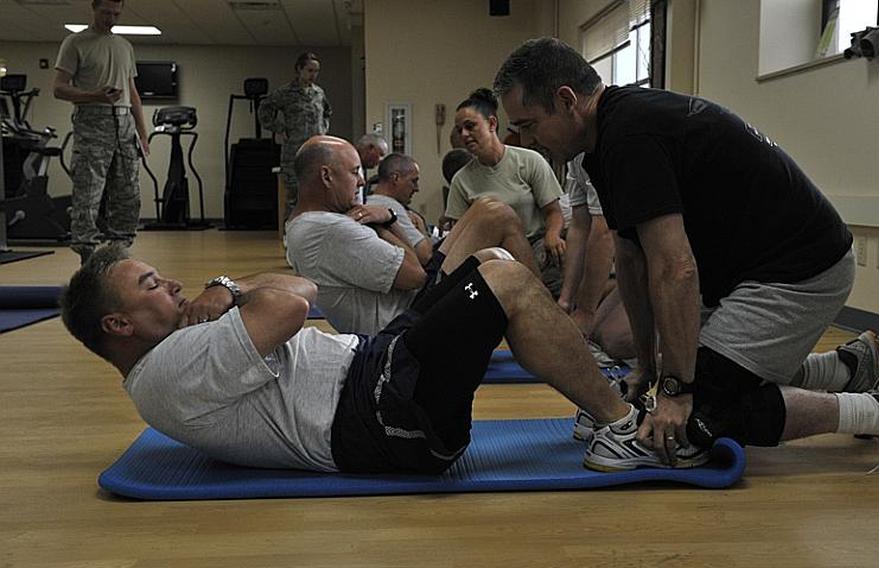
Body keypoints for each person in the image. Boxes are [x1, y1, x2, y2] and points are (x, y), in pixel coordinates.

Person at [494, 37, 879, 464]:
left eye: (528, 125)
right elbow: (632, 260)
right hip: (749, 270)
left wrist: (676, 391)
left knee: (703, 420)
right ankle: (847, 368)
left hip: (801, 268)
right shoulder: (602, 144)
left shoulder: (631, 134)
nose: (527, 139)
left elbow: (675, 269)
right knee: (701, 372)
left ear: (566, 101)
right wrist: (648, 367)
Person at [59, 244, 704, 474]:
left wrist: (228, 287)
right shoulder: (170, 367)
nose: (169, 284)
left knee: (492, 265)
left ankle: (597, 410)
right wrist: (233, 292)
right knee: (504, 284)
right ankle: (623, 425)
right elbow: (288, 307)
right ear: (119, 325)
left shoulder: (179, 349)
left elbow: (303, 290)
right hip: (382, 418)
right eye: (151, 286)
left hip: (374, 368)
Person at [285, 135, 540, 336]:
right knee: (498, 220)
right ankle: (542, 311)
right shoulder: (330, 229)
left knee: (489, 208)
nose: (362, 182)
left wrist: (390, 219)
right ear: (327, 176)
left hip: (413, 299)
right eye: (354, 172)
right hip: (409, 320)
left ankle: (539, 307)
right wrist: (387, 222)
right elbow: (416, 274)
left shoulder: (304, 223)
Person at [53, 0, 149, 265]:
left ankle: (118, 260)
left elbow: (133, 92)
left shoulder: (124, 46)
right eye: (106, 13)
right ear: (93, 9)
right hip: (93, 122)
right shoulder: (75, 43)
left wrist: (143, 133)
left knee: (128, 194)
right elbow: (59, 88)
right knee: (88, 194)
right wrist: (93, 95)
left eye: (116, 14)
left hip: (124, 124)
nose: (111, 18)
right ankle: (87, 258)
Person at [443, 88, 566, 297]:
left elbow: (553, 211)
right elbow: (461, 234)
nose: (463, 134)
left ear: (492, 124)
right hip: (493, 255)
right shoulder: (461, 181)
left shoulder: (529, 161)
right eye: (459, 129)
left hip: (536, 245)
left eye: (470, 126)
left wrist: (553, 234)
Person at [558, 153, 633, 365]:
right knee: (597, 336)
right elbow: (580, 226)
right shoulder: (576, 157)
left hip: (683, 260)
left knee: (615, 341)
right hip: (642, 263)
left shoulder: (607, 151)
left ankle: (706, 338)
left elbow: (604, 231)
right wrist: (565, 302)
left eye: (531, 126)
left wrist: (585, 310)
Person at [259, 52, 332, 218]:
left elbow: (327, 112)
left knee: (318, 194)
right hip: (294, 151)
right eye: (309, 70)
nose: (313, 75)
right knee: (294, 196)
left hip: (316, 151)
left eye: (316, 71)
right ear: (299, 69)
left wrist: (323, 130)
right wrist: (279, 128)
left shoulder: (319, 93)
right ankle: (291, 235)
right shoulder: (285, 93)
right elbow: (265, 109)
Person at [366, 153, 433, 266]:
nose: (417, 189)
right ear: (396, 178)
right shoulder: (389, 205)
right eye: (413, 181)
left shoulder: (369, 200)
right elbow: (425, 256)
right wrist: (421, 227)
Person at [355, 133, 389, 200]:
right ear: (370, 148)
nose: (381, 160)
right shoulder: (349, 165)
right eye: (381, 154)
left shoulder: (361, 168)